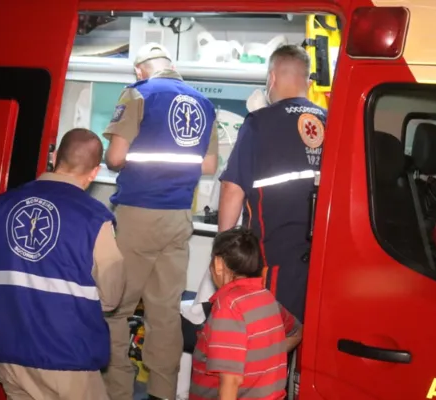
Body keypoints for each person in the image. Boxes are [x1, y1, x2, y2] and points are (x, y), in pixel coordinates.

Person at [0, 128, 125, 400]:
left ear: (54, 157)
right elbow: (111, 298)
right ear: (94, 172)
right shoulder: (95, 220)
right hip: (70, 361)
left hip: (13, 356)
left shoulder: (1, 206)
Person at [102, 43, 220, 400]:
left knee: (116, 308)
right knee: (165, 311)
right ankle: (163, 393)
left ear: (141, 70)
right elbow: (210, 167)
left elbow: (115, 156)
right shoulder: (204, 103)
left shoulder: (139, 94)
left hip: (138, 214)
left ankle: (118, 391)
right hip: (178, 217)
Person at [218, 45, 327, 323]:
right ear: (308, 82)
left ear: (272, 78)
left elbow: (233, 188)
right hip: (321, 259)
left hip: (272, 261)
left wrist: (223, 251)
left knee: (268, 338)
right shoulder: (330, 120)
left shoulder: (259, 122)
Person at [190, 227, 302, 400]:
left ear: (219, 264)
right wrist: (262, 358)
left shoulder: (228, 307)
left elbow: (231, 381)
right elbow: (298, 331)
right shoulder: (266, 298)